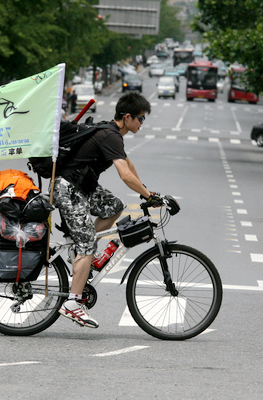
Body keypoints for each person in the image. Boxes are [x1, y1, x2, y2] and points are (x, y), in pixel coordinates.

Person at [54, 92, 158, 328]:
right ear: (128, 117)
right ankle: (71, 303)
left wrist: (147, 191)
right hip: (69, 189)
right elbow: (124, 175)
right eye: (141, 119)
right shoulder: (110, 135)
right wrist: (148, 196)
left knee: (114, 206)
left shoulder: (112, 133)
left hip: (82, 187)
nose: (142, 124)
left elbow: (128, 165)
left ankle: (80, 250)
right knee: (88, 243)